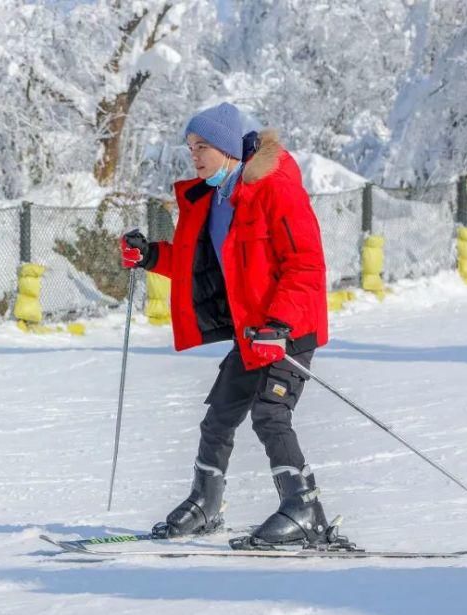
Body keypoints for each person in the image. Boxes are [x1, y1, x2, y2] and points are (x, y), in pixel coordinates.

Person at [120, 102, 331, 548]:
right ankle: (205, 503)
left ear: (230, 148)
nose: (194, 156)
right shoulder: (211, 200)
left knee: (271, 416)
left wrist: (280, 324)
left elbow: (305, 264)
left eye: (204, 146)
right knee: (218, 420)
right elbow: (200, 264)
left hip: (287, 330)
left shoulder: (275, 190)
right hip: (252, 334)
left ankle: (304, 508)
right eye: (191, 147)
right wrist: (152, 255)